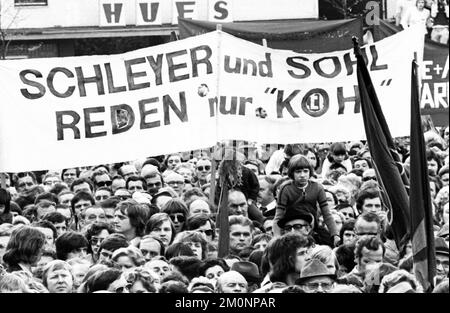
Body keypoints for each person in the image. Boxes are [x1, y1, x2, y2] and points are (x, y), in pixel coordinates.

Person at [273, 155, 339, 246]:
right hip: (292, 227)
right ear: (292, 173)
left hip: (312, 226)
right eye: (298, 172)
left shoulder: (317, 188)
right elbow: (278, 216)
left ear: (310, 172)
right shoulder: (286, 189)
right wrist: (277, 238)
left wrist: (335, 234)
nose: (302, 175)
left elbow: (327, 214)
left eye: (305, 171)